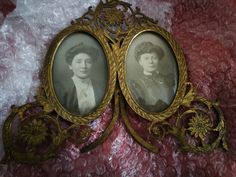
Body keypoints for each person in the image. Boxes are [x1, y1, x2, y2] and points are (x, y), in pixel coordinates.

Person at [57, 43, 104, 115]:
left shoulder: (100, 87)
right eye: (78, 61)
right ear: (70, 65)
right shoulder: (62, 88)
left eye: (88, 61)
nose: (84, 66)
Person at [129, 41, 175, 112]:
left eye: (154, 58)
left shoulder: (167, 79)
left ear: (158, 60)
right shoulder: (137, 84)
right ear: (140, 62)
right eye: (146, 58)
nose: (151, 61)